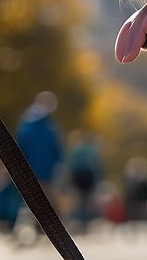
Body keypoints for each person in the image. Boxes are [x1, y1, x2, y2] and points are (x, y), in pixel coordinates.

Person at [13, 92, 64, 242]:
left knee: (28, 202)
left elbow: (19, 146)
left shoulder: (26, 124)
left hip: (27, 169)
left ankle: (21, 230)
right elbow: (57, 150)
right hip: (46, 171)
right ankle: (51, 233)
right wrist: (59, 166)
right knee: (46, 203)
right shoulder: (50, 127)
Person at [66, 130, 102, 233]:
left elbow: (70, 166)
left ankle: (80, 223)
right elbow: (95, 165)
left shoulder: (74, 151)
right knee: (86, 200)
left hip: (78, 177)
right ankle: (85, 223)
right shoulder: (89, 149)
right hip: (88, 177)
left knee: (79, 201)